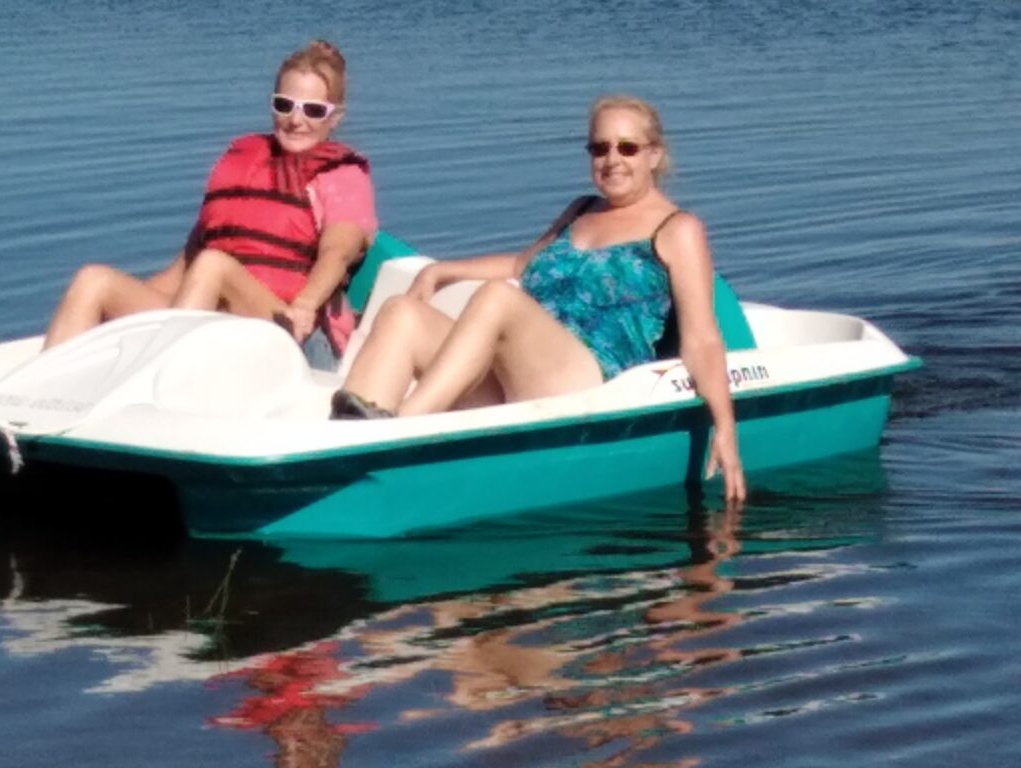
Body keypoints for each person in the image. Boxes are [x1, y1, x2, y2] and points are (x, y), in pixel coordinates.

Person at [331, 94, 744, 502]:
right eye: (600, 148)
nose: (612, 159)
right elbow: (522, 268)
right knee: (402, 312)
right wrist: (441, 270)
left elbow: (702, 338)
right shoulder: (582, 209)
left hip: (589, 377)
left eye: (628, 148)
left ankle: (400, 435)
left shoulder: (677, 228)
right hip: (524, 373)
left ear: (654, 155)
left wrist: (724, 426)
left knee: (497, 300)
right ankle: (337, 455)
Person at [42, 39, 377, 366]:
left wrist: (305, 305)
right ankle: (38, 402)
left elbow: (337, 253)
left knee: (214, 265)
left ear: (335, 118)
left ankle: (154, 380)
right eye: (284, 105)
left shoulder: (342, 176)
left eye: (314, 110)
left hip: (295, 334)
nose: (295, 119)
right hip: (213, 319)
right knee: (94, 280)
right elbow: (183, 270)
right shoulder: (244, 164)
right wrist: (128, 316)